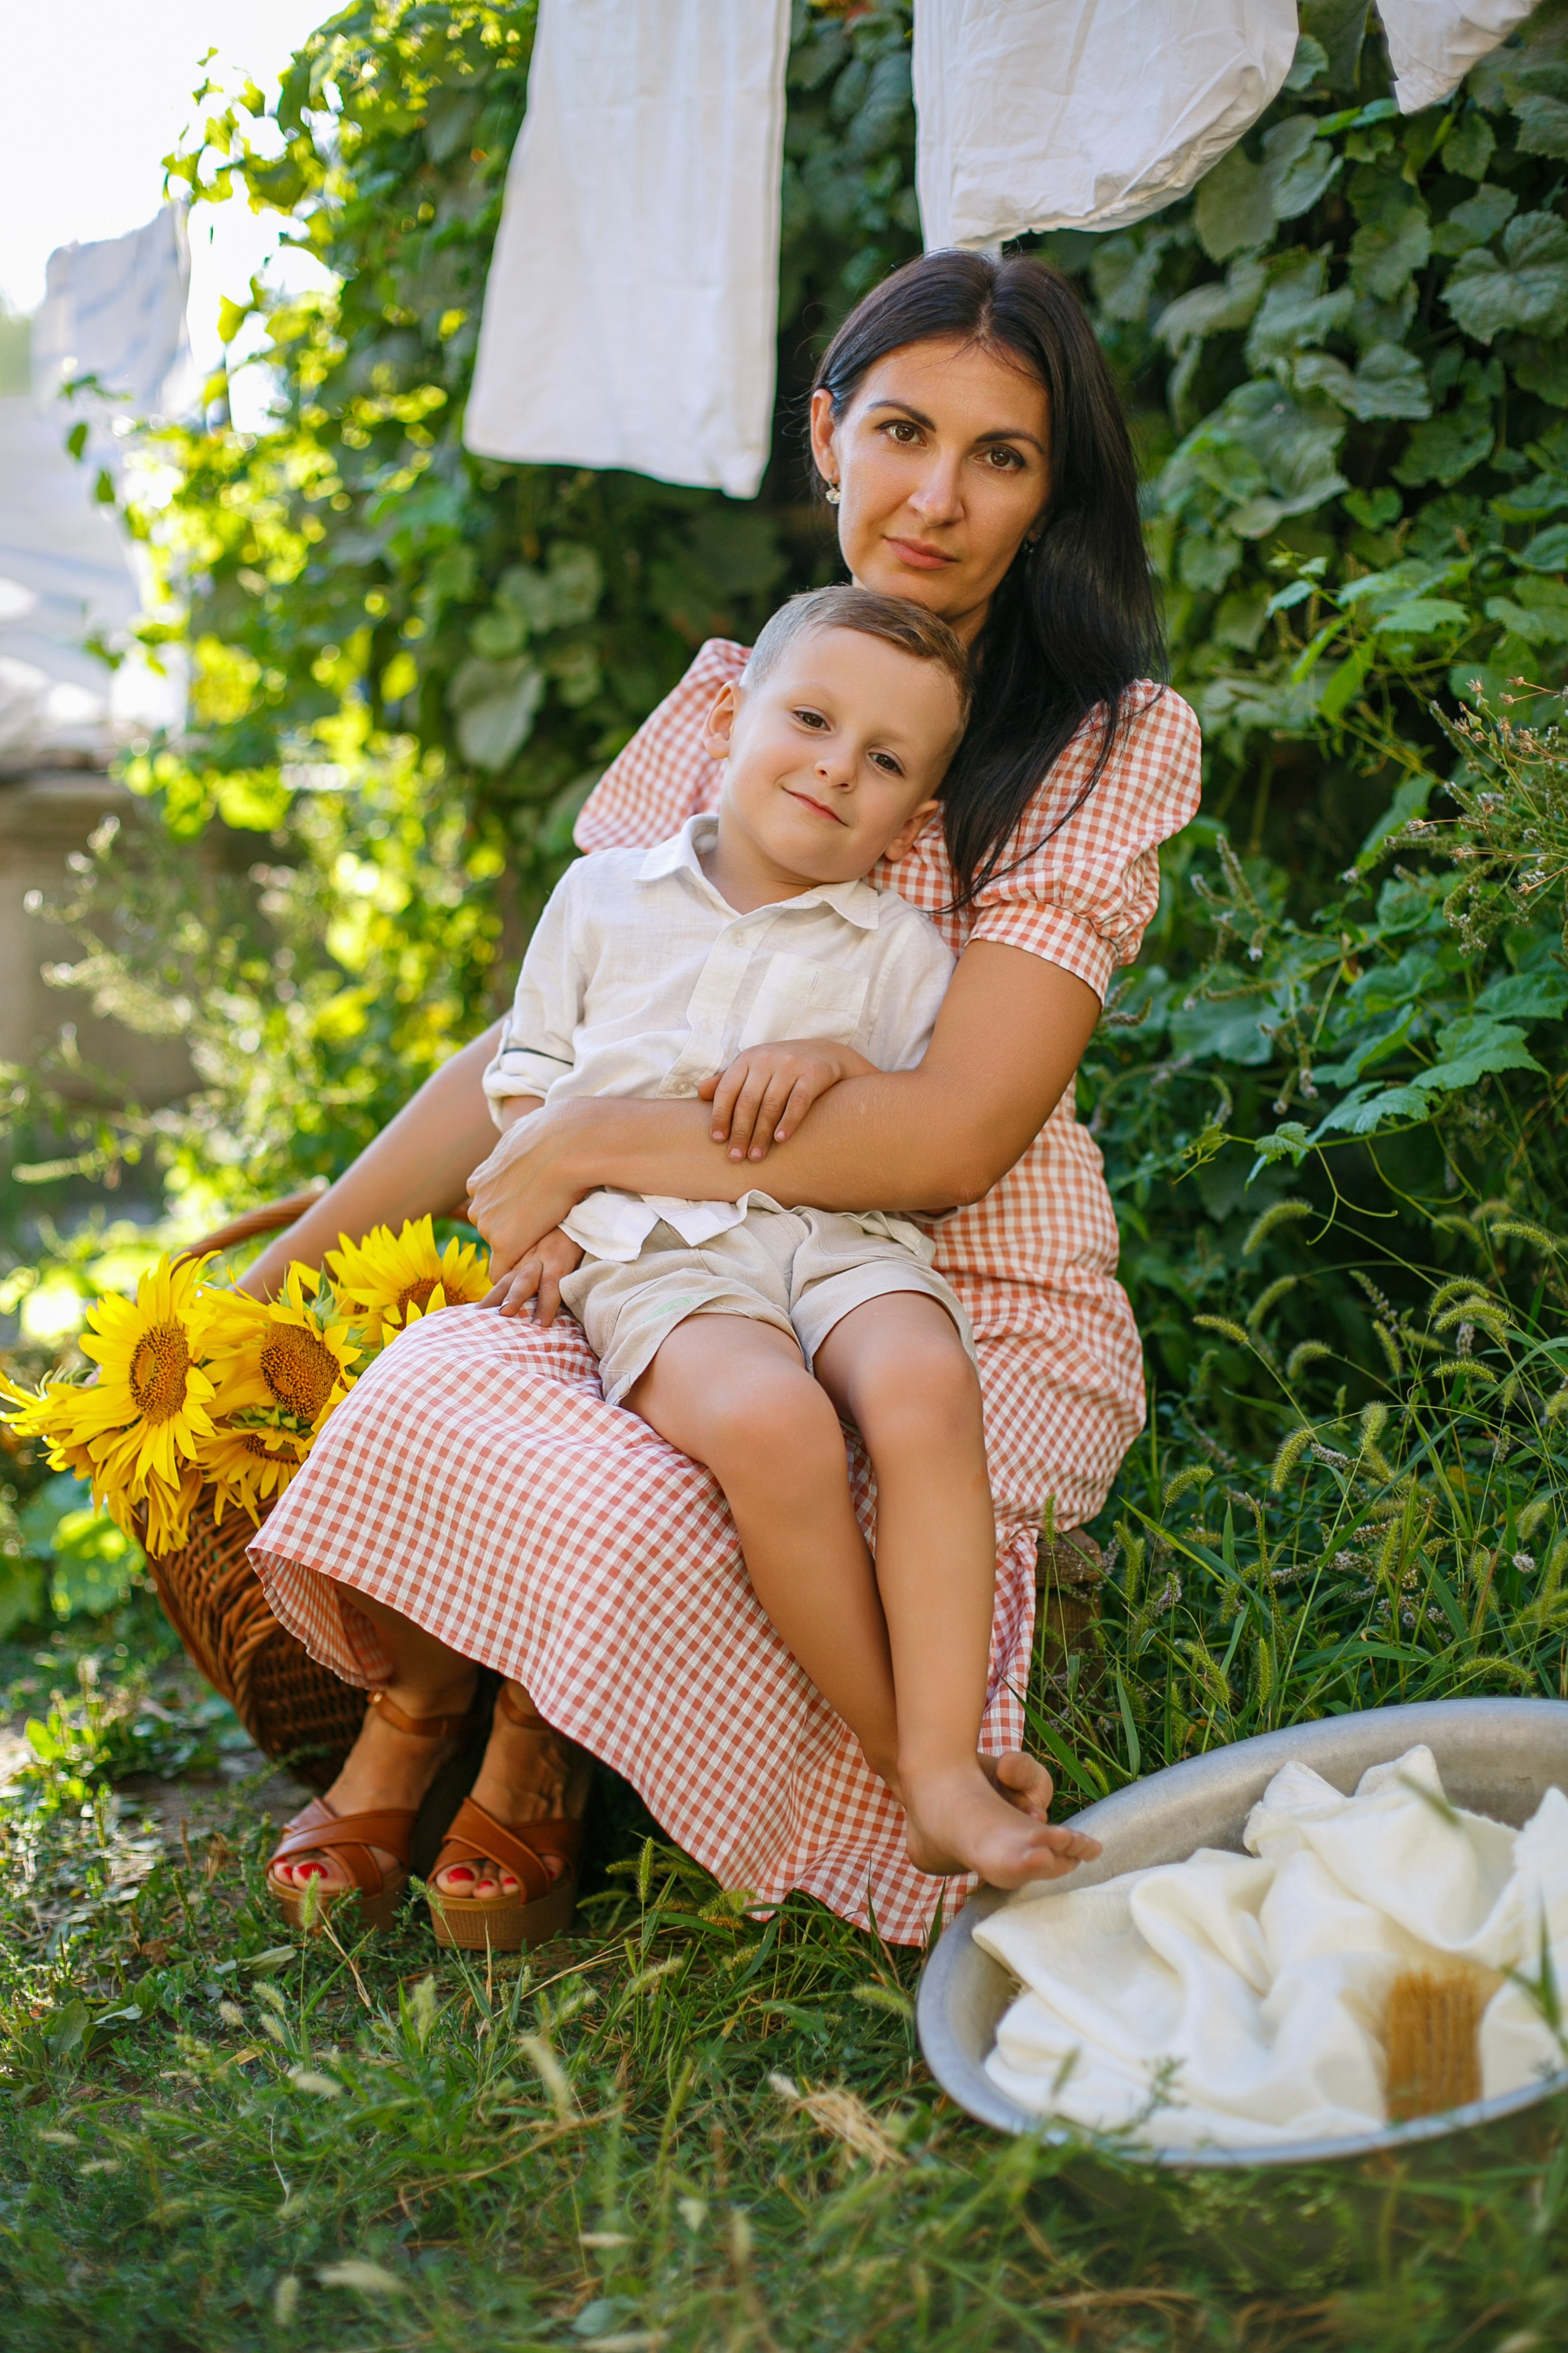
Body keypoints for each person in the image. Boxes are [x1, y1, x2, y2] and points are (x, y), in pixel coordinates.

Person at [247, 249, 1202, 1952]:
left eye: (1004, 456)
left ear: (1056, 492)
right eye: (904, 430)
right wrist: (280, 1270)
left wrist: (597, 1140)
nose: (939, 496)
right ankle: (443, 1714)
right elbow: (548, 1034)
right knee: (447, 1379)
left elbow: (948, 1135)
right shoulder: (737, 697)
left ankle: (571, 1744)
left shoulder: (1100, 741)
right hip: (660, 1246)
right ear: (827, 434)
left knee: (735, 1462)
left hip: (953, 1274)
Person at [469, 581, 1099, 1938]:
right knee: (772, 1423)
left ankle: (940, 1759)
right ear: (728, 722)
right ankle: (917, 1766)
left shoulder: (897, 944)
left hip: (836, 1235)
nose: (834, 767)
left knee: (924, 1380)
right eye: (809, 719)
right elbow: (528, 1085)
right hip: (656, 1255)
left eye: (884, 762)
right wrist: (553, 1220)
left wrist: (832, 1059)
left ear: (914, 813)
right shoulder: (600, 899)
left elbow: (913, 1099)